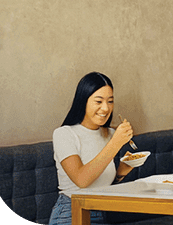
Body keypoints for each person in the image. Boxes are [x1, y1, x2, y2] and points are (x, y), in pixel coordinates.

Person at [49, 72, 136, 225]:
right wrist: (115, 143)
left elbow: (99, 185)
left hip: (101, 212)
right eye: (98, 101)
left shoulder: (109, 134)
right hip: (71, 212)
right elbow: (82, 180)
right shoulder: (64, 134)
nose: (105, 108)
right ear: (83, 101)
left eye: (110, 101)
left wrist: (119, 174)